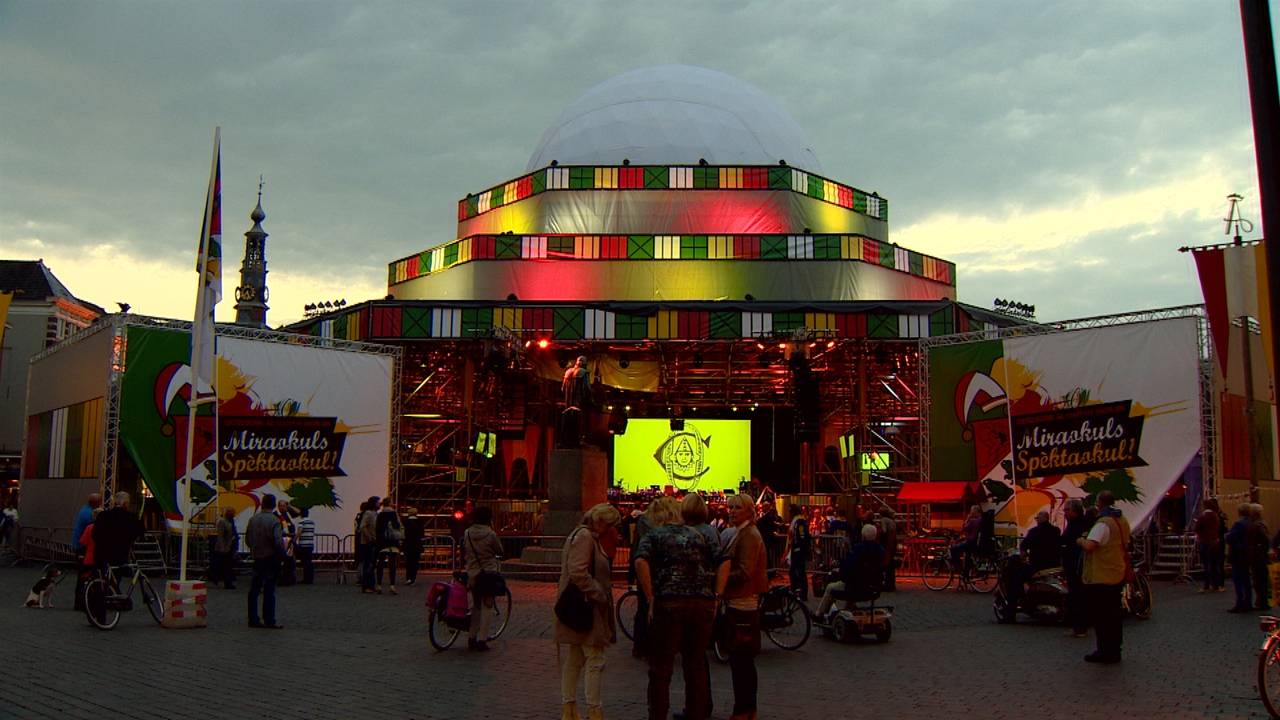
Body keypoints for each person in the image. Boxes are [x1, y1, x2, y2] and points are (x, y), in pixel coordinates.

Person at [635, 496, 727, 720]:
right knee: (695, 663)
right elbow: (724, 560)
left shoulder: (654, 535)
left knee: (661, 668)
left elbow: (640, 561)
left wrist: (650, 596)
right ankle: (697, 713)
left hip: (669, 603)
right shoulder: (698, 535)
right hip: (702, 603)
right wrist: (717, 595)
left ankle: (657, 715)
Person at [557, 503, 621, 720]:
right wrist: (599, 593)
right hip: (586, 606)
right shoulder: (585, 537)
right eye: (610, 525)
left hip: (580, 605)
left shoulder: (581, 535)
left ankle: (570, 708)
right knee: (594, 658)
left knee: (576, 657)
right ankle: (594, 710)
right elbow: (578, 571)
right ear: (601, 521)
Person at [716, 494, 768, 720]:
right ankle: (747, 708)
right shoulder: (743, 532)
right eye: (730, 507)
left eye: (737, 507)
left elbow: (745, 572)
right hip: (740, 601)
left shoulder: (749, 535)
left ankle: (744, 710)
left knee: (741, 662)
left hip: (743, 603)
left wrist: (719, 578)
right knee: (741, 662)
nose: (732, 511)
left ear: (749, 511)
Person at [1077, 491, 1131, 663]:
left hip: (1102, 575)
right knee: (1114, 614)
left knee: (1102, 616)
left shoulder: (1103, 523)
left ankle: (1105, 650)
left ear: (1100, 503)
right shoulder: (1122, 520)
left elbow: (1091, 545)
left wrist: (1080, 540)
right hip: (1117, 570)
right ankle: (1115, 649)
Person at [816, 524, 886, 620]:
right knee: (851, 582)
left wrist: (840, 571)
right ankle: (849, 607)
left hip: (856, 586)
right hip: (874, 587)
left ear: (863, 536)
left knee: (830, 587)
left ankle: (819, 614)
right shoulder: (880, 550)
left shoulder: (859, 549)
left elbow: (849, 568)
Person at [463, 506, 503, 651]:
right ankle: (482, 639)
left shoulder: (467, 533)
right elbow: (499, 550)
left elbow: (465, 549)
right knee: (488, 605)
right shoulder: (490, 534)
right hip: (488, 573)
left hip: (473, 572)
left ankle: (471, 637)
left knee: (476, 606)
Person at [245, 494, 286, 629]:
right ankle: (269, 619)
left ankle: (253, 618)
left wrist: (255, 549)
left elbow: (248, 540)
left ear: (262, 504)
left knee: (254, 590)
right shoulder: (274, 521)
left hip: (257, 557)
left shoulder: (253, 520)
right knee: (269, 590)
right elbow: (278, 541)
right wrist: (282, 555)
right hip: (271, 558)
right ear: (273, 505)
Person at [1060, 499, 1090, 637]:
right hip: (1076, 564)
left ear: (1074, 511)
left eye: (1067, 510)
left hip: (1077, 565)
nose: (1065, 513)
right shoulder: (1078, 523)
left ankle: (1079, 627)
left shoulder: (1077, 525)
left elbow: (1068, 541)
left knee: (1077, 595)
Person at [92, 492, 144, 571]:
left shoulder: (102, 515)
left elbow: (94, 534)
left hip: (101, 555)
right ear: (125, 503)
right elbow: (140, 532)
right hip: (120, 556)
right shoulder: (131, 517)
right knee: (116, 576)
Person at [71, 492, 102, 610]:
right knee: (84, 577)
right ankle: (81, 602)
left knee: (84, 577)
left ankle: (83, 601)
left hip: (82, 548)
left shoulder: (84, 510)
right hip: (82, 549)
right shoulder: (88, 515)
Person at [1227, 503, 1254, 612]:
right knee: (1246, 579)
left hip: (1238, 554)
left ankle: (1240, 603)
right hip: (1248, 553)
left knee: (1238, 579)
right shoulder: (1252, 523)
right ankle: (1248, 602)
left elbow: (1231, 538)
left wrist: (1227, 537)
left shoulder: (1239, 524)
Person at [1194, 499, 1224, 593]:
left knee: (1206, 565)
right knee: (1215, 564)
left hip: (1205, 542)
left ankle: (1206, 585)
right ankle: (1217, 585)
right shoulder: (1215, 516)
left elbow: (1197, 528)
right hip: (1215, 542)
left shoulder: (1203, 517)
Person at [375, 498, 403, 594]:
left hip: (382, 540)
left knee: (381, 563)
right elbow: (398, 526)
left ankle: (379, 584)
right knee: (392, 563)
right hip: (393, 540)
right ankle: (392, 585)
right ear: (390, 504)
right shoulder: (394, 514)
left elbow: (377, 527)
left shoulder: (380, 515)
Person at [784, 505, 811, 601]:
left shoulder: (799, 522)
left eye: (790, 512)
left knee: (800, 572)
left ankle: (802, 593)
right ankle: (796, 590)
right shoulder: (796, 521)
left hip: (798, 551)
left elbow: (802, 536)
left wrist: (800, 548)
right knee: (794, 571)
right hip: (795, 550)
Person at [1250, 503, 1272, 611]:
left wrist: (1260, 546)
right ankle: (1262, 601)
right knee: (1260, 579)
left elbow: (1265, 538)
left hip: (1258, 555)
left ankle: (1263, 602)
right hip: (1260, 554)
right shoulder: (1261, 523)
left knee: (1259, 579)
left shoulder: (1258, 525)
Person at [211, 507, 239, 590]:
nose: (233, 515)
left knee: (227, 565)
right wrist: (223, 548)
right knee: (224, 565)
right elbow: (220, 536)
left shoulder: (231, 522)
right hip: (224, 547)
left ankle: (226, 582)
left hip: (230, 546)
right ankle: (221, 580)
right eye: (232, 513)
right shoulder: (222, 522)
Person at [951, 505, 983, 571]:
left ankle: (958, 567)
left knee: (953, 549)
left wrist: (967, 519)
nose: (971, 512)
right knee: (967, 557)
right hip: (976, 543)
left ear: (974, 511)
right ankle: (966, 575)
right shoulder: (981, 520)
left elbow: (964, 528)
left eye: (972, 511)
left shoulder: (973, 521)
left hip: (970, 542)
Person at [358, 496, 379, 593]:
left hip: (373, 542)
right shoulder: (368, 513)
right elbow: (362, 526)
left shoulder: (375, 514)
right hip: (367, 543)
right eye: (378, 502)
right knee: (368, 564)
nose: (379, 504)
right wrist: (370, 537)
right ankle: (366, 586)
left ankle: (371, 585)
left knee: (372, 564)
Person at [276, 500, 298, 586]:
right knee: (281, 562)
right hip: (282, 542)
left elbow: (298, 513)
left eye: (284, 506)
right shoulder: (276, 516)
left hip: (289, 542)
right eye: (281, 506)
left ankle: (288, 578)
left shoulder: (287, 515)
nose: (283, 508)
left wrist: (290, 506)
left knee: (289, 562)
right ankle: (282, 579)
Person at [877, 511, 899, 591]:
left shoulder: (884, 520)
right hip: (893, 544)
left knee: (886, 565)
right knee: (891, 566)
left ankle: (887, 584)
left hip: (888, 544)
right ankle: (891, 584)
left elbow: (884, 531)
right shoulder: (892, 521)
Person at [403, 507, 424, 586]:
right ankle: (413, 578)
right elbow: (422, 533)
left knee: (408, 562)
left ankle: (408, 578)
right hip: (417, 545)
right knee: (415, 562)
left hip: (408, 545)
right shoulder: (419, 522)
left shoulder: (405, 522)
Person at [295, 508, 315, 585]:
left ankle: (306, 579)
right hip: (310, 544)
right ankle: (310, 578)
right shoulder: (312, 522)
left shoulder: (301, 522)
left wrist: (294, 539)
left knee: (305, 562)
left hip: (303, 544)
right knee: (309, 562)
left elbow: (299, 532)